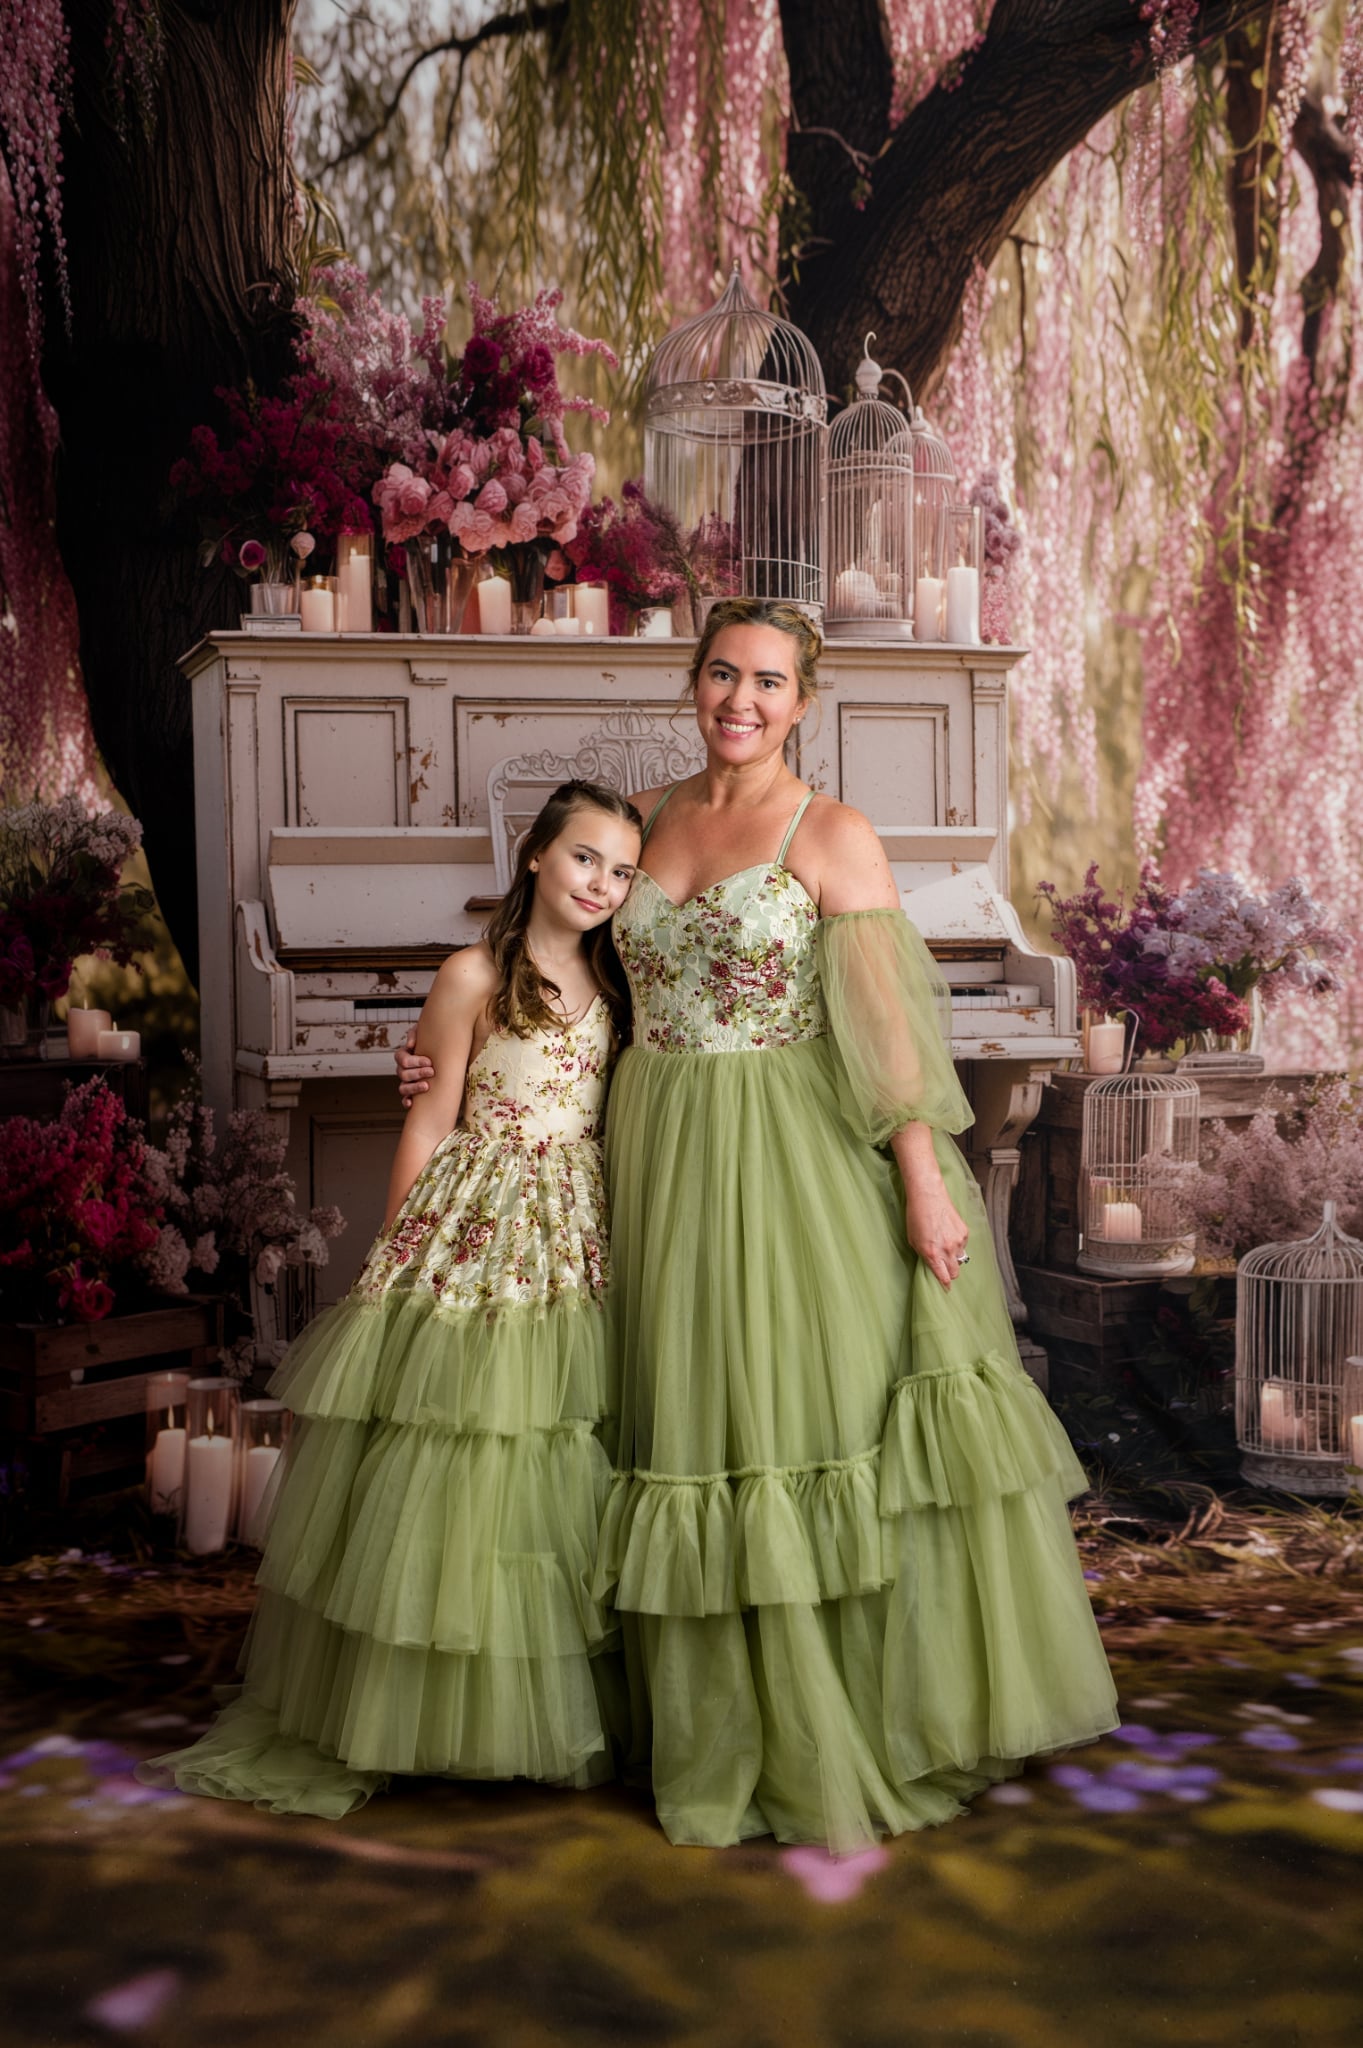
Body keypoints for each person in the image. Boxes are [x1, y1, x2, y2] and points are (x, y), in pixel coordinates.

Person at [398, 599, 1118, 1851]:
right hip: (659, 1140)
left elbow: (886, 1030)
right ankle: (693, 1715)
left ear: (802, 704)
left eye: (768, 682)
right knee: (679, 1407)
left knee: (791, 1402)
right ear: (695, 683)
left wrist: (922, 1176)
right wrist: (450, 1056)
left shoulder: (831, 833)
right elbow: (574, 969)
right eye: (722, 673)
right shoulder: (650, 821)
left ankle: (815, 1718)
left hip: (784, 1144)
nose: (741, 698)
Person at [142, 781, 643, 1818]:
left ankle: (543, 1691)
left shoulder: (622, 980)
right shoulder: (472, 973)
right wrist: (397, 1246)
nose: (603, 882)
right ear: (537, 856)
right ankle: (426, 1700)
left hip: (577, 1231)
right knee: (462, 1442)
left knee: (558, 1442)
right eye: (585, 856)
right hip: (478, 1217)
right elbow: (427, 1116)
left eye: (623, 869)